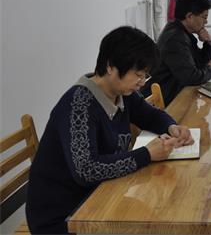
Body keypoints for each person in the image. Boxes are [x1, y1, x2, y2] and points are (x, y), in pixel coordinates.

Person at [26, 26, 194, 234]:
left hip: (99, 195)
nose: (142, 83)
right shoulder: (78, 106)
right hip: (64, 217)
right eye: (138, 75)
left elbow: (149, 115)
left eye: (145, 76)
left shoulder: (121, 92)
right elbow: (86, 171)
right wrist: (147, 154)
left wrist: (172, 126)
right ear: (111, 66)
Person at [144, 0, 211, 105]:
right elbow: (191, 77)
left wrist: (209, 41)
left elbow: (200, 62)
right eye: (204, 17)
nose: (206, 22)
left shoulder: (181, 32)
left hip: (176, 92)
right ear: (189, 16)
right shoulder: (175, 39)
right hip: (168, 99)